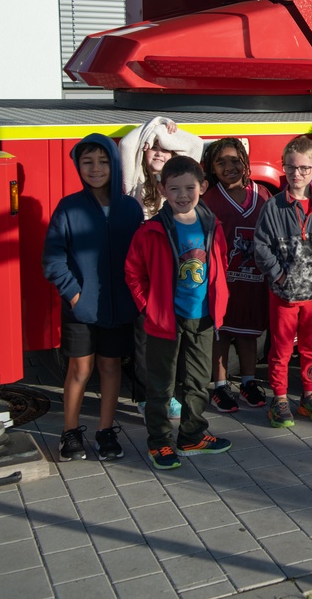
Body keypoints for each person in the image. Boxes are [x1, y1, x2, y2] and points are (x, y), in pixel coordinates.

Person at [124, 156, 232, 471]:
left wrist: (219, 299)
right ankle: (159, 442)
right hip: (164, 320)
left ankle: (191, 436)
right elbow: (133, 272)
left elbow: (221, 260)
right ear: (161, 189)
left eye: (189, 188)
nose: (182, 195)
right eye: (174, 189)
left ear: (203, 187)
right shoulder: (151, 230)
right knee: (161, 385)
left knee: (199, 381)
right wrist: (147, 306)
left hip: (203, 316)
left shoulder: (212, 223)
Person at [43, 134, 144, 461]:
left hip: (118, 308)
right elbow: (53, 259)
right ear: (78, 166)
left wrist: (137, 296)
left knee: (111, 367)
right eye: (87, 162)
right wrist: (74, 296)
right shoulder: (69, 208)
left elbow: (140, 256)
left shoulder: (130, 209)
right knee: (79, 370)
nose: (95, 168)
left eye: (103, 161)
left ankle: (105, 431)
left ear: (114, 165)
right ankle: (69, 433)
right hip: (82, 309)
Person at [119, 117, 203, 421]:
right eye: (152, 148)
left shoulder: (178, 185)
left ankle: (168, 393)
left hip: (178, 279)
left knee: (173, 343)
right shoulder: (134, 183)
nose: (158, 152)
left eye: (164, 150)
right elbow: (128, 144)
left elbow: (195, 145)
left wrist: (169, 134)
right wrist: (153, 125)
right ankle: (144, 396)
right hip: (148, 278)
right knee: (145, 342)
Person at [254, 137, 312, 428]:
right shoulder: (273, 207)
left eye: (305, 168)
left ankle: (309, 395)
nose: (298, 174)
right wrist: (279, 275)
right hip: (283, 293)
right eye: (291, 168)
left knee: (311, 346)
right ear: (284, 168)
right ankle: (279, 398)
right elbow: (262, 246)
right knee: (280, 348)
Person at [200, 138, 271, 412]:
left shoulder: (263, 195)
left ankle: (249, 381)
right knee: (222, 335)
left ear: (245, 162)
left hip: (255, 281)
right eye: (221, 162)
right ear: (211, 168)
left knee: (249, 333)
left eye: (234, 160)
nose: (229, 167)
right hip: (222, 283)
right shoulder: (209, 200)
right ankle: (220, 385)